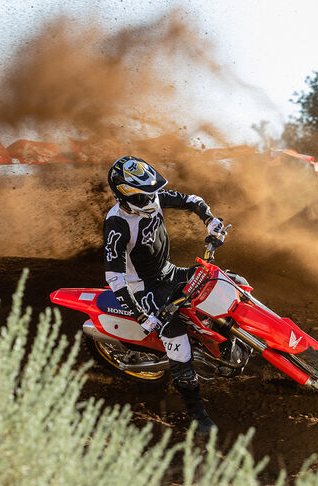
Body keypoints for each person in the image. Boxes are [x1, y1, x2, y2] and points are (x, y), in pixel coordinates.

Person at [103, 155, 225, 435]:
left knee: (229, 280)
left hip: (169, 271)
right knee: (175, 332)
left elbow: (192, 200)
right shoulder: (117, 224)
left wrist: (211, 221)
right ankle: (196, 412)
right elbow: (114, 277)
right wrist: (140, 315)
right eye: (145, 197)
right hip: (143, 288)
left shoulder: (153, 196)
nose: (153, 200)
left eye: (153, 193)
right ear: (126, 196)